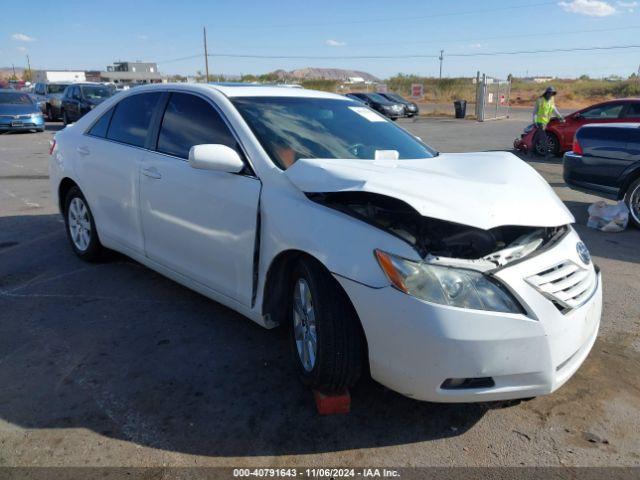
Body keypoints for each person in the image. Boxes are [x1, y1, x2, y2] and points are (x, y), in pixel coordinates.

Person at [531, 86, 564, 157]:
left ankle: (531, 152)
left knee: (538, 136)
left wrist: (560, 117)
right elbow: (535, 111)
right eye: (549, 93)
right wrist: (534, 121)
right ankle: (547, 154)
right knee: (544, 138)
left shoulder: (552, 100)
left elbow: (554, 109)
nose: (550, 95)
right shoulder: (540, 100)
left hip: (546, 122)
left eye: (552, 93)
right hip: (540, 122)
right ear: (546, 93)